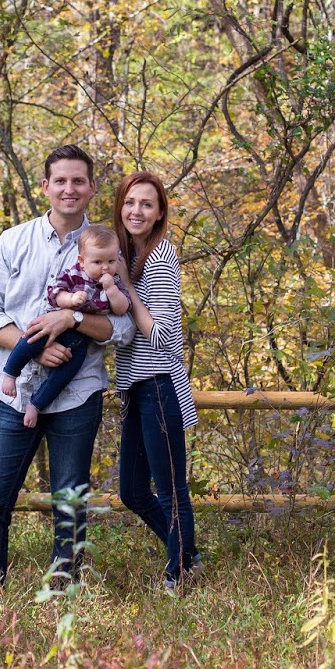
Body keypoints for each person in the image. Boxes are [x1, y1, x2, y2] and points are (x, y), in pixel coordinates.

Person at [0, 145, 135, 599]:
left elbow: (123, 328)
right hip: (16, 391)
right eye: (60, 180)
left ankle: (62, 593)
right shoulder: (12, 241)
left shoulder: (107, 250)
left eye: (78, 180)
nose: (69, 189)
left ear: (92, 188)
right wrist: (37, 347)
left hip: (77, 394)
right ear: (45, 186)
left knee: (69, 503)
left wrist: (73, 319)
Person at [112, 171, 201, 591]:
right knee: (132, 490)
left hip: (160, 385)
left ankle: (177, 573)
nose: (137, 211)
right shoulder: (125, 253)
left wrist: (128, 288)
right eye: (130, 202)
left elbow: (163, 334)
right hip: (136, 386)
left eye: (147, 204)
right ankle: (187, 554)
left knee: (170, 489)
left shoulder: (160, 256)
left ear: (160, 212)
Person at [0, 225, 131, 427]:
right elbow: (55, 293)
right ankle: (10, 374)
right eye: (98, 262)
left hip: (80, 339)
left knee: (68, 371)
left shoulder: (115, 281)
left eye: (111, 262)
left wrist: (112, 290)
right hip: (51, 326)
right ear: (82, 260)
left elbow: (122, 310)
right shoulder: (74, 274)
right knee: (29, 340)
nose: (105, 268)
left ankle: (36, 405)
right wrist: (70, 299)